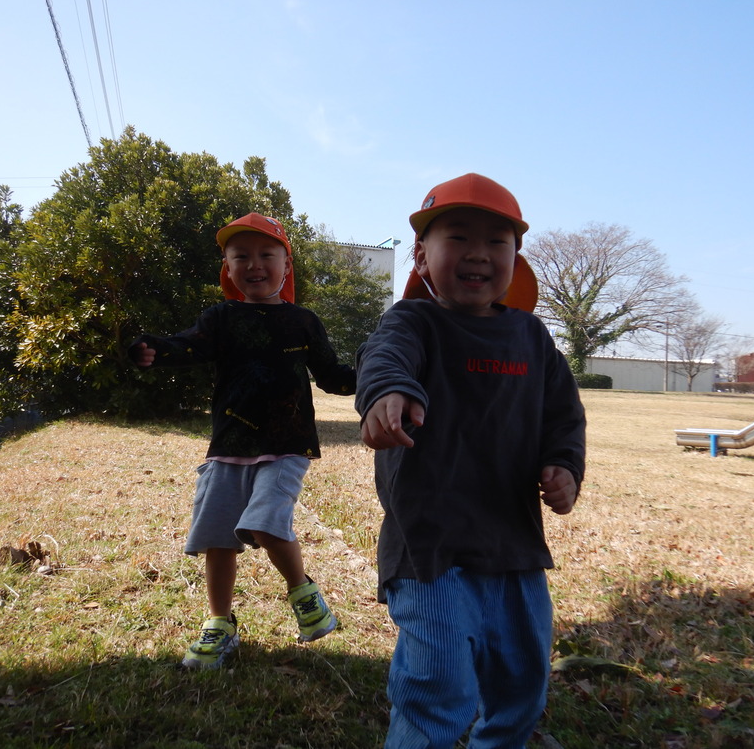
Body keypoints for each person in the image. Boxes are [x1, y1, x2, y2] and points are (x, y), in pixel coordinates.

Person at [355, 174, 587, 747]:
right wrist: (387, 392)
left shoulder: (533, 339)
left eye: (496, 241)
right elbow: (384, 357)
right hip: (428, 547)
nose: (478, 253)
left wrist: (564, 466)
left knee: (521, 681)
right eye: (457, 237)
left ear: (516, 255)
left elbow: (564, 416)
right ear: (422, 254)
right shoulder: (413, 322)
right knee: (438, 688)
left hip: (513, 546)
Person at [131, 212, 355, 669]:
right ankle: (219, 624)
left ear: (286, 265)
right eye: (241, 256)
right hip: (229, 442)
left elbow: (333, 377)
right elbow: (187, 344)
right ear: (228, 270)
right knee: (218, 536)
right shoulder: (220, 318)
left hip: (288, 441)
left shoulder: (303, 321)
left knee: (266, 522)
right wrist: (152, 349)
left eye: (266, 255)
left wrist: (377, 373)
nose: (255, 264)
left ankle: (304, 596)